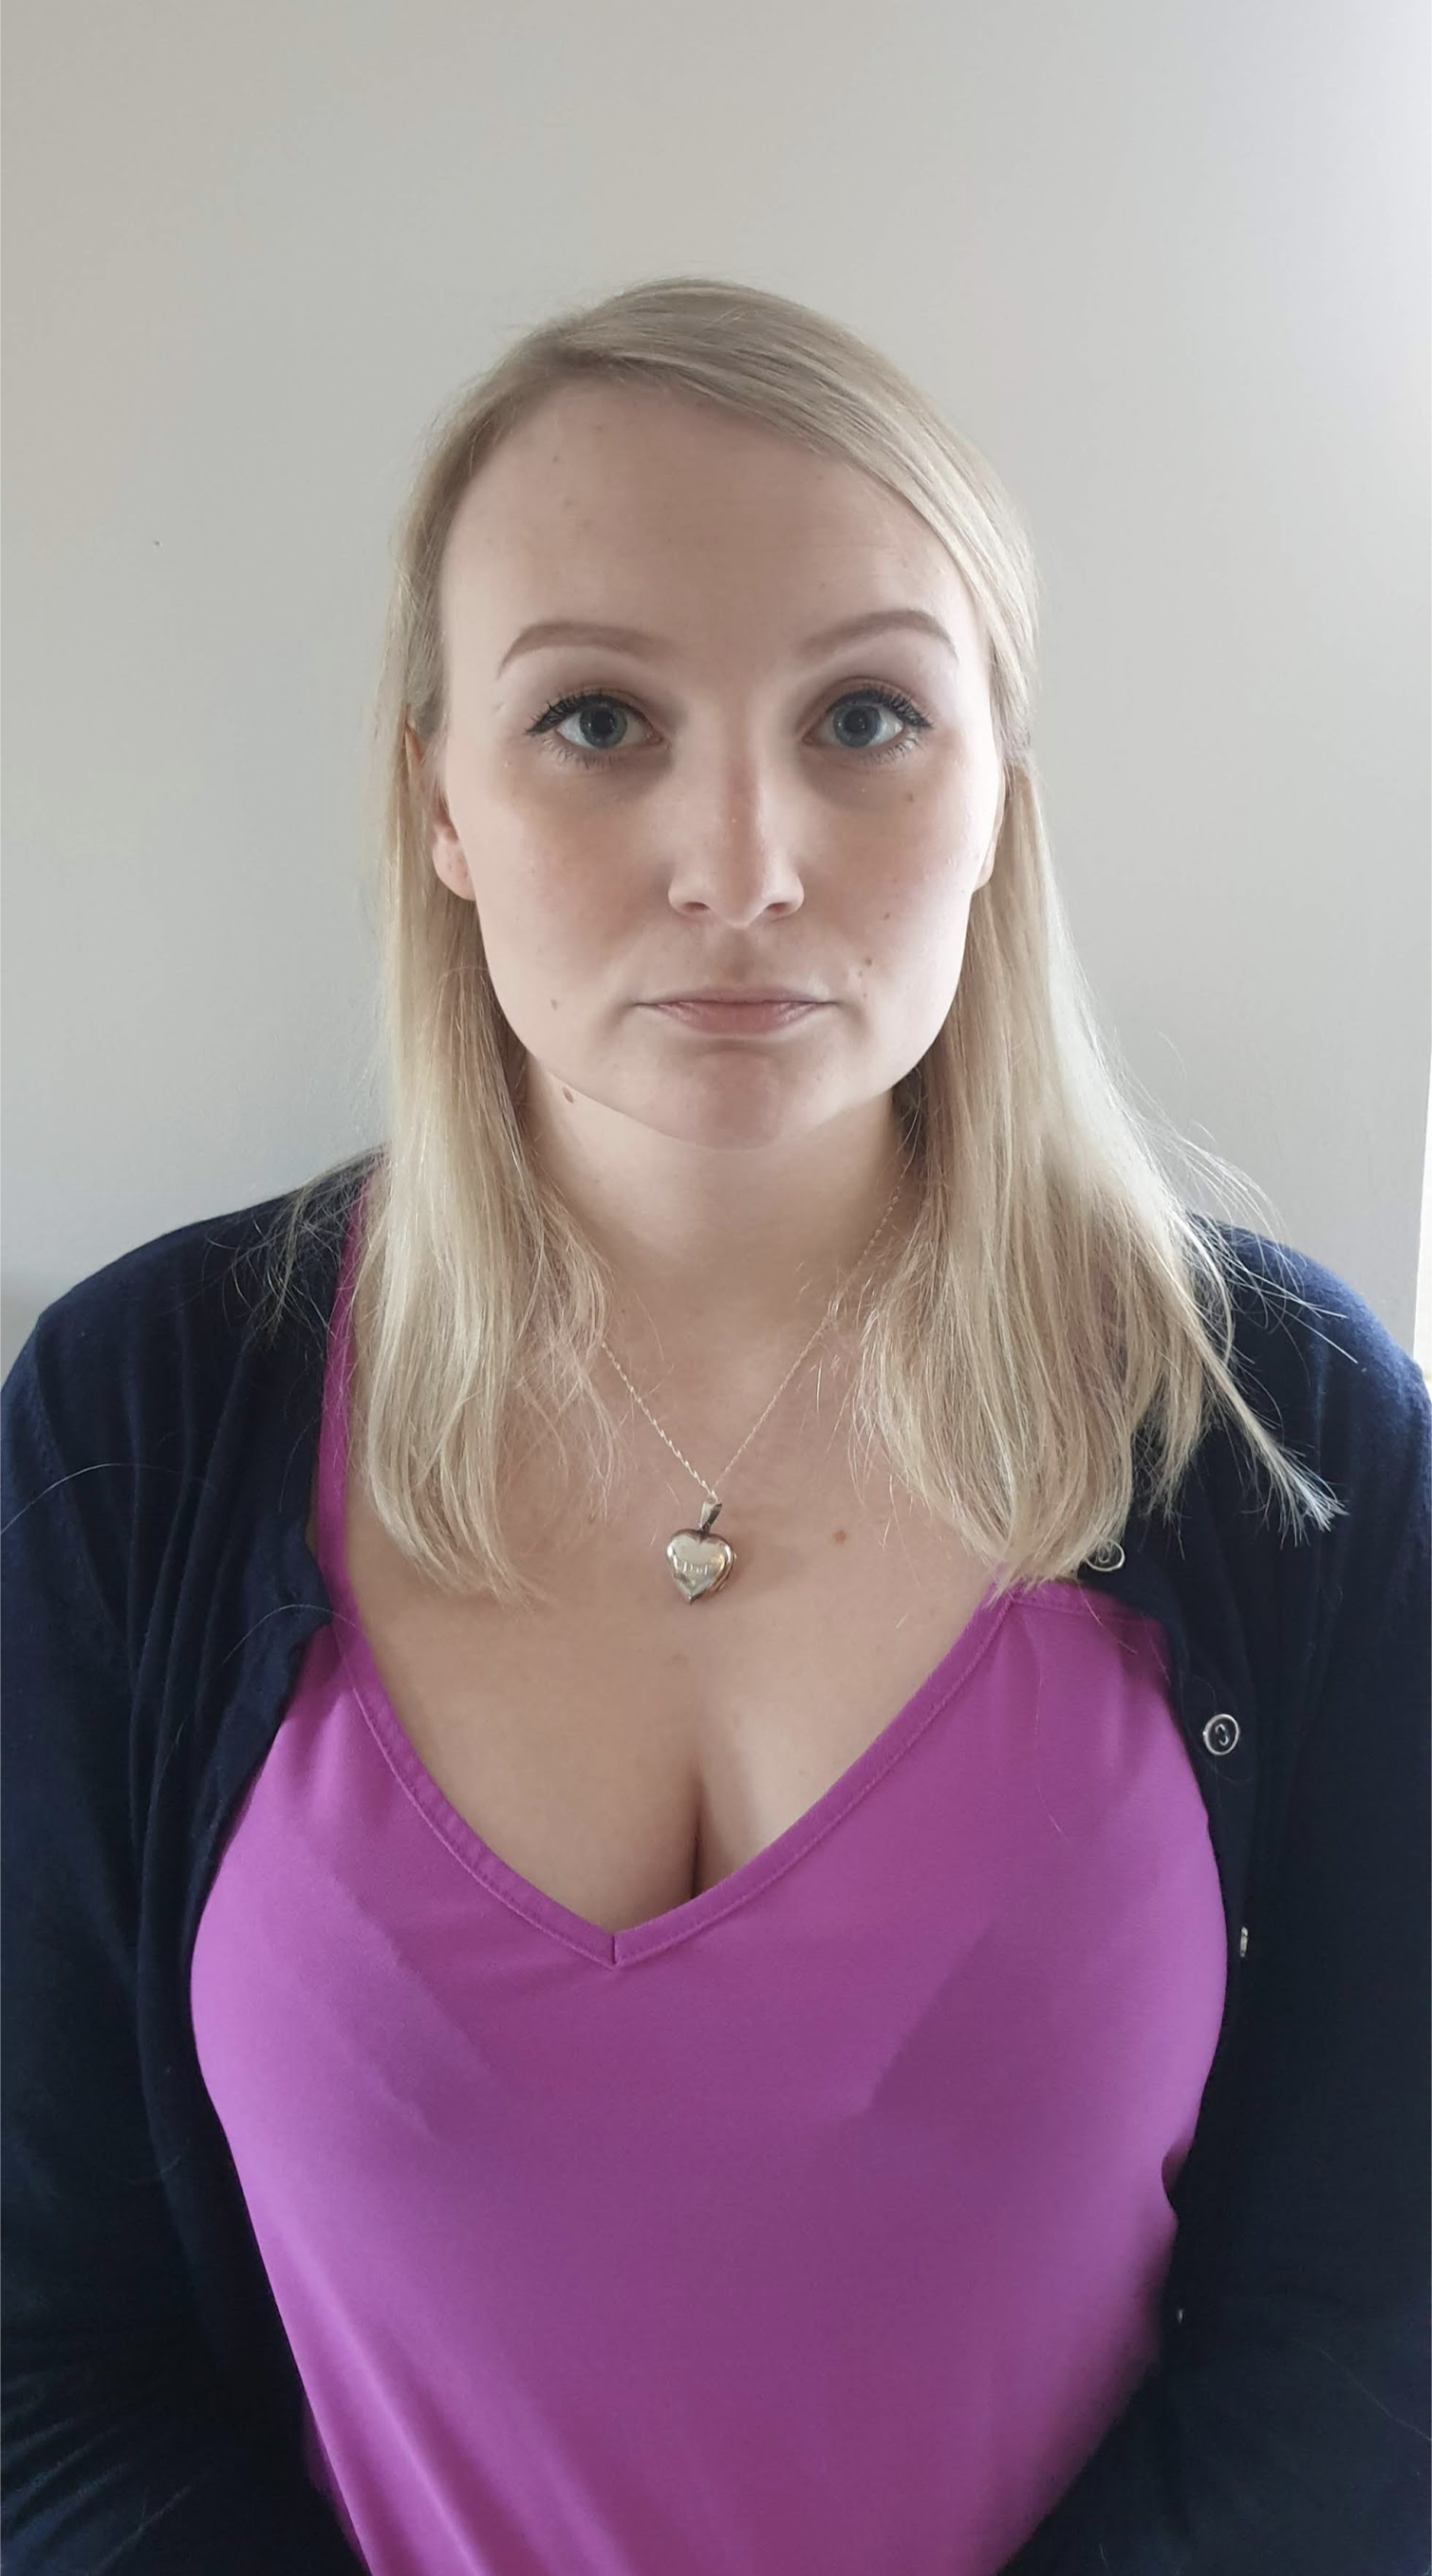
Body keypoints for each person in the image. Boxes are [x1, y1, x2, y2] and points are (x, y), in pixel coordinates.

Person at [1, 274, 1429, 2576]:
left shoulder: (1286, 1432)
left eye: (867, 714)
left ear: (999, 799)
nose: (744, 861)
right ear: (438, 800)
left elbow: (1374, 2343)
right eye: (596, 719)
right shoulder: (134, 1421)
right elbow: (44, 2348)